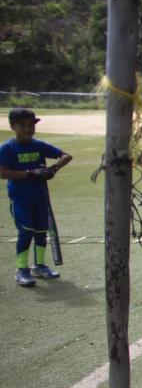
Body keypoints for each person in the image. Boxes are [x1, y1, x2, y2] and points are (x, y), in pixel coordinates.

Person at [0, 108, 72, 286]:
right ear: (13, 126)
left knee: (41, 231)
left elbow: (66, 156)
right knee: (26, 231)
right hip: (21, 198)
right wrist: (29, 173)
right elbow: (2, 173)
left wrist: (53, 169)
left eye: (31, 125)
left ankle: (39, 266)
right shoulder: (7, 148)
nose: (28, 129)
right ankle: (21, 269)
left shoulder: (39, 145)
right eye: (23, 125)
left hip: (41, 197)